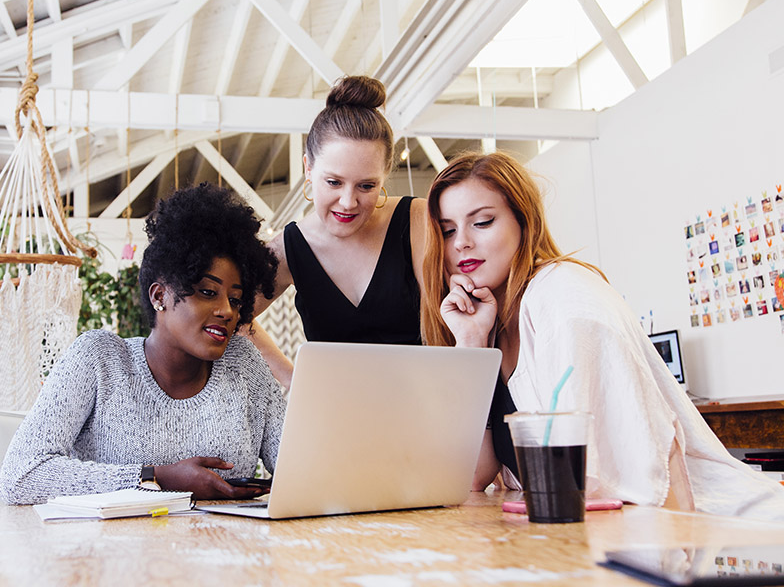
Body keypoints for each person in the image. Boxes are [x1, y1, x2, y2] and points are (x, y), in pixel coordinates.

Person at [420, 151, 784, 520]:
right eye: (448, 230)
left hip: (724, 533)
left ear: (523, 221)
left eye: (482, 222)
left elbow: (634, 470)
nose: (461, 242)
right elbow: (471, 476)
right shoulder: (492, 323)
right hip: (613, 530)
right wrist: (472, 344)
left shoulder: (564, 297)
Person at [0, 184, 284, 504]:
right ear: (159, 296)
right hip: (113, 550)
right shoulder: (99, 359)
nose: (226, 311)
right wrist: (155, 477)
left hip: (227, 547)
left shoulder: (242, 364)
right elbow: (20, 476)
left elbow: (297, 467)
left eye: (235, 299)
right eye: (207, 292)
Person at [248, 75, 428, 387]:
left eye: (367, 186)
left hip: (425, 408)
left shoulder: (416, 220)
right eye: (333, 182)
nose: (348, 202)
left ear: (384, 177)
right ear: (308, 168)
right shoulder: (288, 248)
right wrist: (292, 378)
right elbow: (229, 315)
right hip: (334, 418)